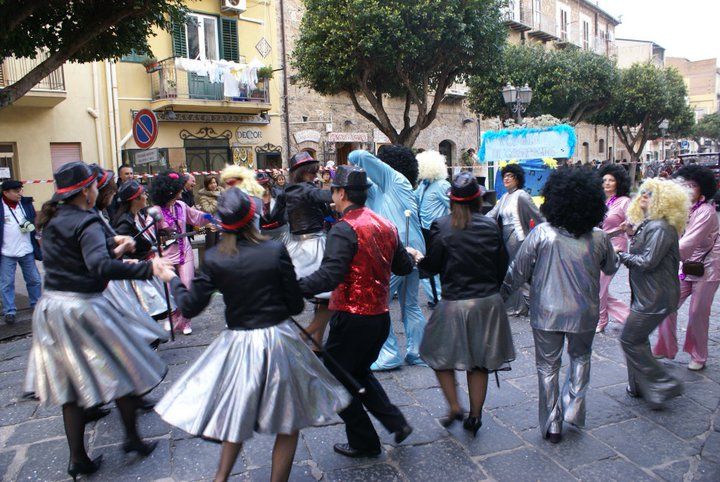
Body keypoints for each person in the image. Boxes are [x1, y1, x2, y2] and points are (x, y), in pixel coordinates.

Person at [154, 188, 348, 482]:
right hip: (278, 341)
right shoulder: (274, 250)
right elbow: (295, 305)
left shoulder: (215, 258)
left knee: (236, 415)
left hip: (238, 343)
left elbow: (190, 306)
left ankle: (220, 478)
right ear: (252, 218)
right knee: (288, 422)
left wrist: (171, 279)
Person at [29, 162, 168, 480]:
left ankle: (78, 458)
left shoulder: (54, 219)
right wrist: (148, 268)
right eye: (94, 186)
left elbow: (78, 258)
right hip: (83, 308)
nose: (97, 190)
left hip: (53, 308)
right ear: (85, 191)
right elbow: (99, 267)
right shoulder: (86, 220)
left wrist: (117, 245)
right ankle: (132, 440)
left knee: (71, 387)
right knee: (123, 370)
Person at [299, 164, 415, 458]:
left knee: (335, 379)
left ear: (341, 193)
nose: (331, 197)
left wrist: (292, 287)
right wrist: (412, 256)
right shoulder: (386, 224)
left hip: (352, 319)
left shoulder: (344, 229)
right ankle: (395, 422)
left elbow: (329, 276)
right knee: (357, 373)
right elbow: (403, 266)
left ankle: (364, 441)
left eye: (333, 191)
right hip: (379, 318)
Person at [503, 168, 617, 443]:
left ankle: (553, 424)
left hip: (547, 312)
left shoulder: (542, 234)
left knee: (547, 366)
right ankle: (573, 407)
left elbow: (516, 272)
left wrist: (500, 297)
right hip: (584, 312)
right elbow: (611, 266)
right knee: (581, 357)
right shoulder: (599, 236)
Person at [414, 172, 514, 437]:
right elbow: (502, 265)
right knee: (479, 361)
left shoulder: (441, 226)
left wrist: (418, 259)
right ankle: (475, 415)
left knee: (436, 353)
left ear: (452, 200)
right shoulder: (491, 225)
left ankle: (455, 406)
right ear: (478, 200)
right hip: (488, 302)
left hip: (454, 302)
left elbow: (432, 265)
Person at [348, 147, 427, 370]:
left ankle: (389, 353)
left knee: (377, 302)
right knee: (410, 304)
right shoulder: (389, 187)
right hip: (413, 249)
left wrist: (352, 167)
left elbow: (357, 155)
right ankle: (417, 352)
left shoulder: (392, 178)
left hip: (395, 251)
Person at [617, 178, 688, 409]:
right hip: (649, 294)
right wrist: (631, 234)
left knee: (629, 339)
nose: (644, 196)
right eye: (643, 192)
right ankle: (640, 386)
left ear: (663, 200)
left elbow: (647, 261)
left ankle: (664, 383)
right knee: (638, 339)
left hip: (655, 296)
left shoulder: (660, 227)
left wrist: (619, 255)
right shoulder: (652, 224)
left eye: (650, 193)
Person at [653, 166, 720, 371]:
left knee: (698, 312)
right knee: (667, 304)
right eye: (684, 185)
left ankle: (698, 355)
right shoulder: (680, 209)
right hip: (685, 265)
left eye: (693, 186)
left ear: (703, 189)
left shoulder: (706, 212)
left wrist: (658, 255)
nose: (687, 189)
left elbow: (687, 242)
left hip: (708, 268)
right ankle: (665, 347)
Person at [150, 170, 212, 335]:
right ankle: (173, 318)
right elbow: (148, 234)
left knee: (187, 286)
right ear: (170, 191)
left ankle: (185, 322)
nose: (182, 191)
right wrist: (158, 237)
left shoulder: (182, 206)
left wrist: (212, 218)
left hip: (185, 252)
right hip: (166, 256)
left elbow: (197, 217)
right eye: (179, 189)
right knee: (171, 290)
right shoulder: (155, 211)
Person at [284, 152, 334, 353]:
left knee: (323, 299)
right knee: (330, 297)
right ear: (304, 172)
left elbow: (275, 217)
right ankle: (303, 337)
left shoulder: (287, 192)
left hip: (294, 245)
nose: (315, 175)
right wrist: (344, 189)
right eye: (312, 172)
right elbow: (326, 197)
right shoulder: (308, 189)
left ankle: (316, 343)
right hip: (314, 245)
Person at [112, 180, 176, 326]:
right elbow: (121, 248)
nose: (146, 196)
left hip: (145, 268)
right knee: (147, 313)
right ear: (135, 199)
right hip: (136, 275)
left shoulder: (138, 215)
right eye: (143, 194)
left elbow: (145, 239)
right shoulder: (124, 222)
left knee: (154, 312)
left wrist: (159, 235)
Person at [488, 163, 543, 316]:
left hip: (518, 238)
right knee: (513, 272)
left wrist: (550, 232)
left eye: (510, 176)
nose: (506, 179)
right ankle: (522, 305)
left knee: (518, 272)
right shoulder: (504, 197)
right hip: (505, 238)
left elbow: (537, 216)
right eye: (504, 176)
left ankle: (529, 305)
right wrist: (474, 221)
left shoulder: (522, 195)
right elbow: (492, 214)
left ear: (517, 179)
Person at [596, 164, 632, 333]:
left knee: (600, 284)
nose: (607, 183)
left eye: (611, 180)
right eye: (604, 180)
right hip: (599, 246)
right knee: (596, 286)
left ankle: (601, 320)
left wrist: (628, 225)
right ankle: (629, 317)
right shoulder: (601, 201)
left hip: (616, 246)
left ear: (618, 182)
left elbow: (634, 221)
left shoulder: (624, 201)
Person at [0, 180, 41, 325]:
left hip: (26, 249)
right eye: (16, 191)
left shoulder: (26, 203)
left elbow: (34, 221)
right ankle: (9, 311)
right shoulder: (1, 206)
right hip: (7, 251)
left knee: (34, 280)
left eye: (21, 190)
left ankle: (36, 304)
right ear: (6, 193)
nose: (20, 193)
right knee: (6, 283)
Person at [414, 150, 450, 308]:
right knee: (427, 266)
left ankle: (439, 298)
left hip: (437, 232)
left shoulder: (442, 185)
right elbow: (413, 198)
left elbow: (454, 207)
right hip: (425, 230)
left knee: (432, 266)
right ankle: (435, 297)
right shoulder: (423, 185)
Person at [257, 171, 289, 242]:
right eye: (260, 185)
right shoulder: (254, 199)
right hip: (264, 233)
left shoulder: (279, 194)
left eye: (265, 184)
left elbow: (288, 209)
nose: (263, 187)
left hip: (282, 231)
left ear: (268, 184)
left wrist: (284, 220)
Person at [196, 176, 224, 249]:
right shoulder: (203, 197)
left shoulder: (221, 193)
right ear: (207, 185)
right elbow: (207, 210)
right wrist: (217, 201)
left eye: (214, 182)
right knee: (211, 247)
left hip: (221, 223)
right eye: (210, 183)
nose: (213, 185)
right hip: (210, 225)